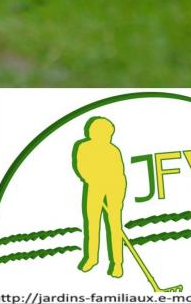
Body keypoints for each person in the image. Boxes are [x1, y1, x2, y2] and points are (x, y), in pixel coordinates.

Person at [73, 116, 126, 277]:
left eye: (107, 133)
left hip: (114, 189)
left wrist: (117, 196)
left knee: (115, 226)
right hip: (95, 187)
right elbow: (81, 166)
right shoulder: (84, 147)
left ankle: (117, 264)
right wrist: (91, 178)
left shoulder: (113, 150)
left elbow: (119, 174)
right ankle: (92, 258)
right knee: (93, 224)